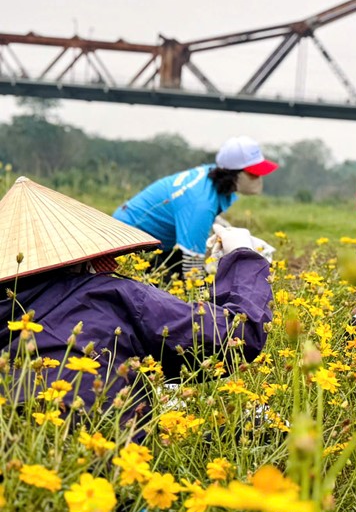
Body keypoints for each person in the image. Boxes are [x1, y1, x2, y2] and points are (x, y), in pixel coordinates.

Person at [0, 177, 273, 439]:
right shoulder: (109, 294)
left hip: (20, 462)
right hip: (110, 460)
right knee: (261, 424)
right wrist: (243, 258)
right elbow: (237, 336)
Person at [113, 135, 279, 274]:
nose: (259, 179)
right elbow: (192, 265)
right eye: (253, 174)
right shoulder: (201, 204)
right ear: (235, 174)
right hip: (125, 246)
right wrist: (202, 306)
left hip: (153, 242)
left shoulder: (210, 176)